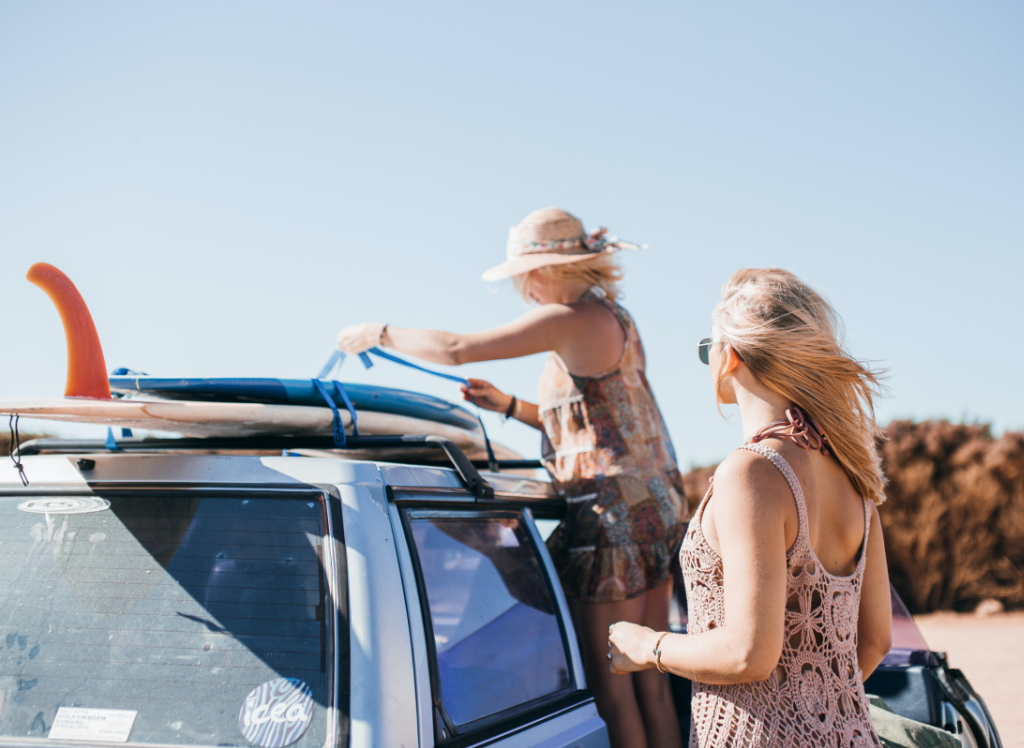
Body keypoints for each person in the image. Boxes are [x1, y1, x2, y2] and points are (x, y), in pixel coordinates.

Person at [338, 207, 687, 748]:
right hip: (655, 504)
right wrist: (506, 406)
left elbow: (458, 349)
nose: (523, 289)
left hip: (613, 516)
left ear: (541, 270)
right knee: (651, 683)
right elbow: (598, 421)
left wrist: (377, 333)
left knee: (610, 686)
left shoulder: (565, 318)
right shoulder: (613, 317)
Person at [609, 268, 893, 747]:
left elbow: (748, 654)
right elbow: (875, 642)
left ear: (730, 357)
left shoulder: (751, 473)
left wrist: (645, 646)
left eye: (708, 348)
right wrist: (812, 713)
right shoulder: (854, 477)